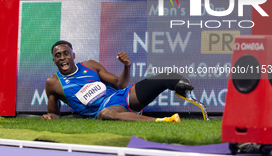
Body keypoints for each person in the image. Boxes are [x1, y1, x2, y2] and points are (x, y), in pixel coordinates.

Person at [42, 40, 194, 122]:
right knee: (105, 113)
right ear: (54, 60)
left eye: (66, 53)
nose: (62, 57)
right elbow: (54, 113)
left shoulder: (89, 65)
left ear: (73, 55)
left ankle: (183, 87)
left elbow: (120, 84)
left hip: (123, 97)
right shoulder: (53, 83)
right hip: (107, 110)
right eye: (58, 55)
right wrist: (50, 116)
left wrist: (127, 66)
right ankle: (162, 122)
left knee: (166, 76)